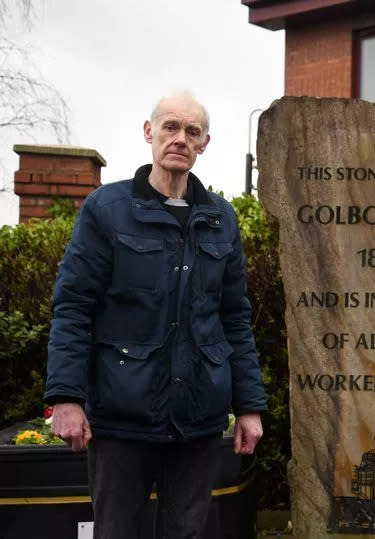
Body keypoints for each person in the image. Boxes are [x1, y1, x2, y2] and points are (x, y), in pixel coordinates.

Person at [44, 93, 267, 538]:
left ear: (204, 143)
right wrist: (66, 397)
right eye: (170, 127)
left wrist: (249, 406)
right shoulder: (106, 210)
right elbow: (74, 307)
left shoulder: (221, 219)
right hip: (121, 415)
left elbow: (234, 318)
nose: (180, 139)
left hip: (198, 418)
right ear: (149, 132)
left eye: (192, 132)